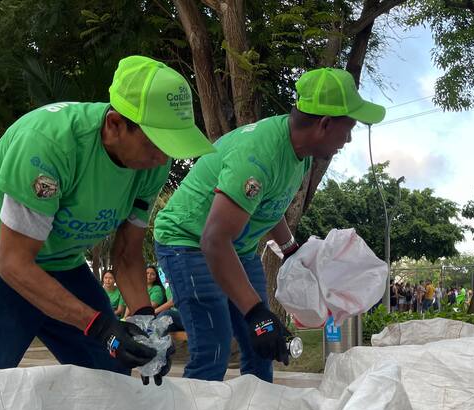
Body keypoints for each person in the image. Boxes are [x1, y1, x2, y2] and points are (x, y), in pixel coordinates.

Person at [0, 55, 215, 379]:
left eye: (172, 146)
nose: (162, 158)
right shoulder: (50, 144)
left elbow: (126, 254)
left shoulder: (152, 164)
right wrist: (98, 326)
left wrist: (145, 323)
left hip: (60, 257)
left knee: (111, 367)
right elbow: (14, 264)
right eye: (156, 144)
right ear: (114, 124)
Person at [154, 67, 385, 382]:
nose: (348, 140)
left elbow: (266, 203)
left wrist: (291, 248)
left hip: (236, 246)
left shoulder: (299, 153)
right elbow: (214, 241)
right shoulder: (259, 155)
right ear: (325, 124)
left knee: (263, 343)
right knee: (214, 348)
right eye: (348, 129)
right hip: (189, 242)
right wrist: (255, 312)